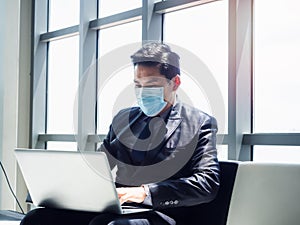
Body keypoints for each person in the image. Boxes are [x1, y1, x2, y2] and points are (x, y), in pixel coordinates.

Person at [20, 42, 220, 225]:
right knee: (38, 218)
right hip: (120, 208)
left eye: (151, 85)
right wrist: (63, 187)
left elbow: (207, 183)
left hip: (163, 212)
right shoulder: (123, 120)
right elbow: (100, 165)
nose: (142, 92)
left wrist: (143, 193)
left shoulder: (199, 123)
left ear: (175, 83)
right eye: (137, 85)